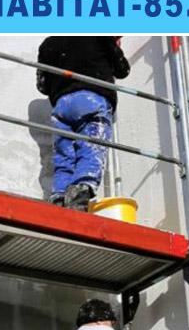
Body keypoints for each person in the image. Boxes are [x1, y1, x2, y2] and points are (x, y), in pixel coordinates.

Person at [36, 37, 130, 211]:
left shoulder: (48, 44)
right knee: (92, 148)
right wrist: (114, 46)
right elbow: (122, 70)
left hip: (61, 106)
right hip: (91, 98)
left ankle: (58, 197)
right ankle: (81, 193)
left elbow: (43, 86)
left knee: (64, 156)